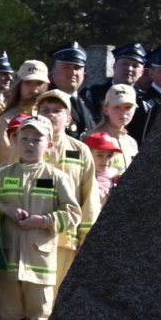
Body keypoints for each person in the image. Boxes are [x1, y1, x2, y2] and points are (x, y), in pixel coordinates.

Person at [0, 116, 81, 320]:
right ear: (15, 141)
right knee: (10, 312)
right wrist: (5, 209)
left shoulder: (56, 177)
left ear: (49, 144)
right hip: (9, 258)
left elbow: (72, 213)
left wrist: (43, 221)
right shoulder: (1, 174)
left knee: (40, 312)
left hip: (39, 258)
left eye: (37, 139)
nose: (30, 144)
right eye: (24, 138)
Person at [34, 89, 101, 285]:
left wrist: (85, 238)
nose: (50, 115)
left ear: (68, 119)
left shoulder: (80, 150)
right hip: (32, 237)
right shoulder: (26, 148)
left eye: (57, 111)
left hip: (66, 239)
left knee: (59, 294)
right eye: (45, 110)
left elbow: (90, 196)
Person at [0, 59, 48, 167]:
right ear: (19, 84)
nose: (34, 88)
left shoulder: (48, 116)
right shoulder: (6, 120)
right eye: (28, 82)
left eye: (39, 83)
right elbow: (6, 161)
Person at [81, 42, 146, 124]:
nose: (129, 68)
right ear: (114, 66)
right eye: (124, 64)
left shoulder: (145, 100)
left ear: (141, 72)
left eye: (135, 66)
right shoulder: (92, 94)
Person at [86, 83, 140, 174]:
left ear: (134, 110)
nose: (123, 112)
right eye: (117, 107)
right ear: (105, 110)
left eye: (128, 107)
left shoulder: (132, 142)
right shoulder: (94, 138)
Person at [48, 43, 96, 139]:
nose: (73, 72)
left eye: (77, 68)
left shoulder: (86, 102)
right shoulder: (45, 101)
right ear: (54, 71)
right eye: (66, 67)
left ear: (84, 73)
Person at [83, 131, 122, 204]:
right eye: (100, 155)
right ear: (87, 156)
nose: (105, 160)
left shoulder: (115, 177)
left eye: (110, 156)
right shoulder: (83, 178)